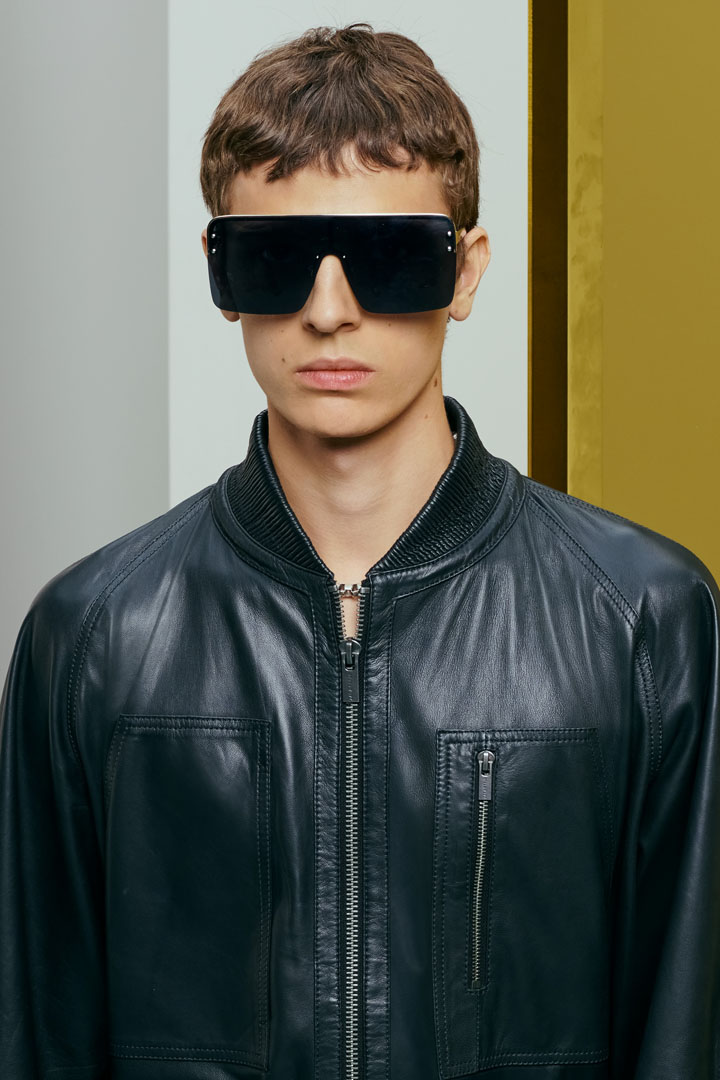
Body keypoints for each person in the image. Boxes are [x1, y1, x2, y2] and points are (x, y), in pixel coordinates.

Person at [1, 22, 719, 1080]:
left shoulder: (644, 619)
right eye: (274, 259)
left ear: (465, 271)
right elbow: (39, 1036)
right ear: (220, 274)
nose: (329, 312)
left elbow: (685, 1031)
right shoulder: (94, 636)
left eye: (388, 259)